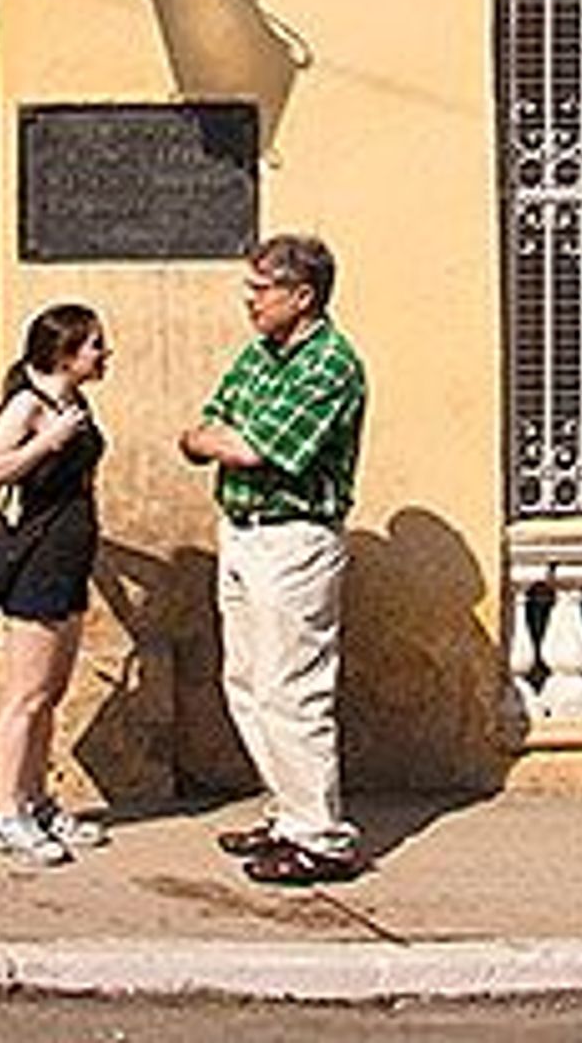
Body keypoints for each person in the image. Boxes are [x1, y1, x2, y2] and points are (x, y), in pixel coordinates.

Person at [180, 231, 370, 886]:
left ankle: (322, 835)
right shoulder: (260, 356)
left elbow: (259, 448)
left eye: (261, 290)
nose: (250, 302)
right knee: (248, 683)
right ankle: (290, 812)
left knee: (293, 688)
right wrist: (214, 439)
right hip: (242, 529)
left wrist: (219, 441)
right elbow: (208, 422)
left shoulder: (331, 365)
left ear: (303, 294)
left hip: (294, 539)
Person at [0, 302, 112, 867]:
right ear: (64, 352)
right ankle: (5, 815)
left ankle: (36, 800)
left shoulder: (72, 401)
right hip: (35, 564)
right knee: (24, 697)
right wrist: (46, 441)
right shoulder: (29, 405)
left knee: (49, 695)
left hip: (67, 560)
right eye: (96, 344)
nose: (105, 354)